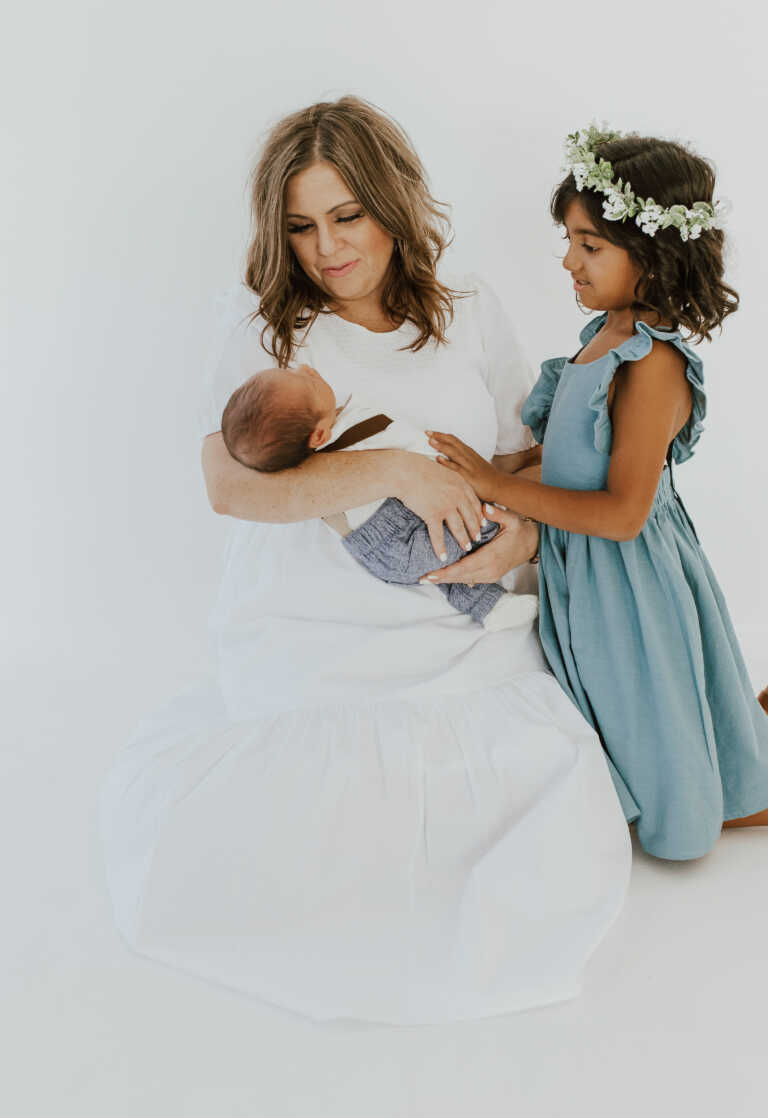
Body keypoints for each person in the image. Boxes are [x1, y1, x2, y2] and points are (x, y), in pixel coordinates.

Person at [97, 98, 631, 1024]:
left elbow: (527, 463)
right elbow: (233, 489)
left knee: (535, 793)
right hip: (318, 629)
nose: (328, 249)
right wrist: (391, 468)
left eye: (348, 216)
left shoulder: (468, 312)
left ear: (392, 205)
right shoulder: (271, 331)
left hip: (461, 618)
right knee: (320, 840)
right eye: (301, 226)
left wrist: (526, 534)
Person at [428, 122, 768, 860]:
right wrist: (478, 478)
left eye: (590, 245)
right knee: (641, 728)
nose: (568, 260)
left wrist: (498, 483)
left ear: (651, 254)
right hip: (584, 573)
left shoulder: (653, 366)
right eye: (570, 240)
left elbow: (620, 513)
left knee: (665, 799)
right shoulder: (606, 331)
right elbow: (567, 458)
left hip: (627, 582)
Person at [219, 364, 539, 629]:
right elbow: (421, 458)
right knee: (474, 522)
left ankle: (490, 605)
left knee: (445, 567)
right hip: (399, 534)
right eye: (307, 380)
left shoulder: (314, 450)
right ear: (318, 435)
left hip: (381, 550)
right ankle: (499, 545)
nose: (307, 368)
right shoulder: (352, 433)